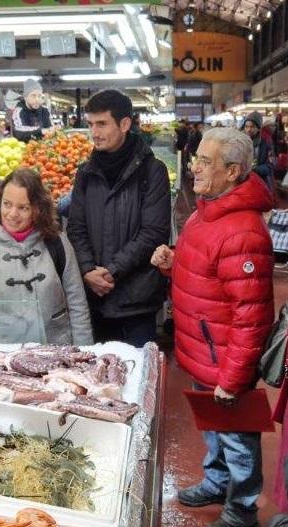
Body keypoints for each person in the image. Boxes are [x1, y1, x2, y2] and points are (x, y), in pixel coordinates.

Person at [151, 127, 274, 527]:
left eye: (205, 161)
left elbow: (251, 316)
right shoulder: (208, 211)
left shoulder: (242, 231)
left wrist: (234, 378)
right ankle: (216, 483)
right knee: (213, 429)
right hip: (206, 350)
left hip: (225, 359)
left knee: (238, 441)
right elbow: (206, 273)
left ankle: (241, 514)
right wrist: (172, 262)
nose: (194, 167)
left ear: (234, 171)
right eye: (195, 158)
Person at [67, 89, 171, 347]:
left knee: (138, 374)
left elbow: (153, 232)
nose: (94, 132)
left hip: (136, 302)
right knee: (99, 379)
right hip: (95, 299)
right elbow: (76, 228)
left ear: (124, 124)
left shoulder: (152, 171)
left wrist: (112, 272)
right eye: (91, 124)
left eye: (102, 123)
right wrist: (88, 270)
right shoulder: (85, 173)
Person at [0, 168, 93, 345]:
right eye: (7, 204)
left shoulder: (59, 244)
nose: (12, 214)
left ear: (37, 209)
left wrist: (84, 353)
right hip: (2, 356)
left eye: (23, 208)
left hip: (54, 352)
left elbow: (77, 304)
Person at [243, 111, 275, 191]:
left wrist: (253, 169)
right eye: (246, 127)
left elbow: (271, 165)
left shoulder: (266, 143)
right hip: (245, 184)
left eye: (252, 127)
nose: (249, 130)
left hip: (261, 183)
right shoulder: (241, 142)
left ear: (258, 128)